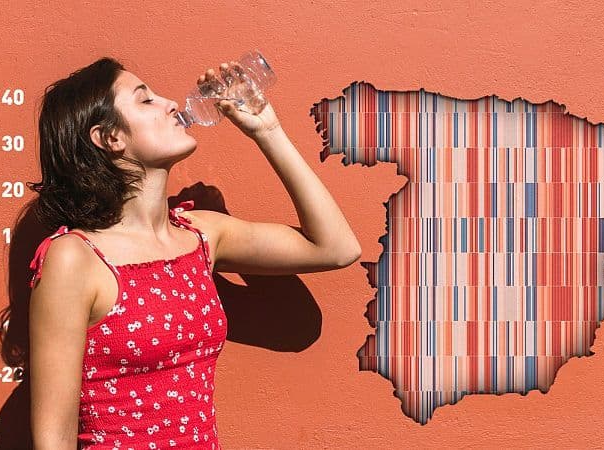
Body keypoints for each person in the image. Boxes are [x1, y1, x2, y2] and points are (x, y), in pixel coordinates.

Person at [26, 57, 361, 449]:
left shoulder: (200, 235)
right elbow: (53, 441)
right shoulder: (75, 258)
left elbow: (336, 248)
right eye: (145, 100)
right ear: (110, 138)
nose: (170, 103)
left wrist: (267, 130)